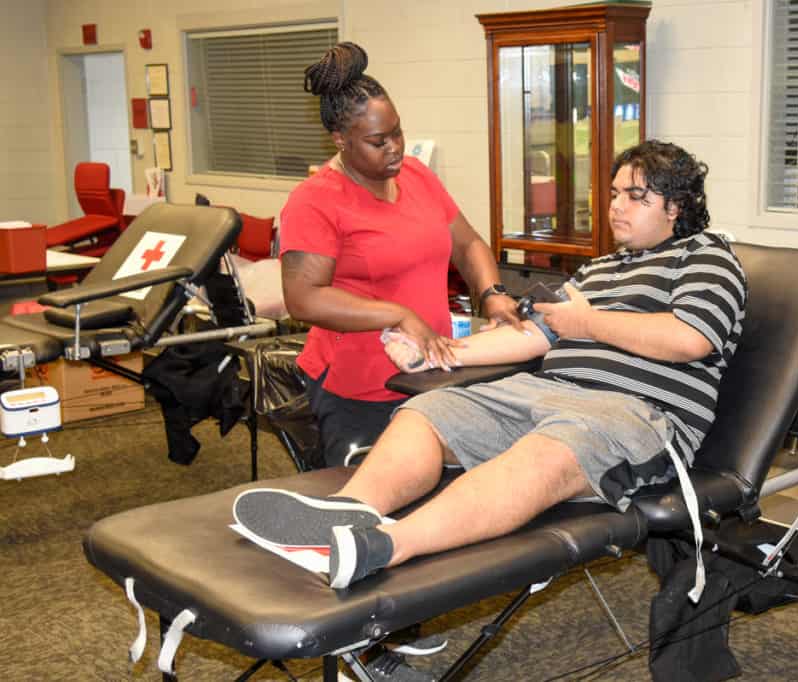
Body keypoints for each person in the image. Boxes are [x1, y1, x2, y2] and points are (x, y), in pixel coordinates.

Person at [239, 140, 747, 595]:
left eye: (635, 196)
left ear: (675, 207)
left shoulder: (705, 258)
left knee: (549, 452)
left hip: (634, 414)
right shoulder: (599, 268)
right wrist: (438, 353)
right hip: (545, 391)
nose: (616, 205)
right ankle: (345, 512)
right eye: (614, 192)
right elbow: (534, 335)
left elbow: (691, 339)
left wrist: (588, 323)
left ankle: (386, 547)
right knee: (429, 409)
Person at [278, 42, 520, 466]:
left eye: (397, 132)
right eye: (377, 141)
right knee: (371, 505)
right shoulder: (315, 201)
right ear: (340, 139)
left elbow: (467, 244)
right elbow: (305, 298)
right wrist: (397, 313)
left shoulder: (417, 176)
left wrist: (493, 292)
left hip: (430, 374)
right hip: (359, 385)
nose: (395, 148)